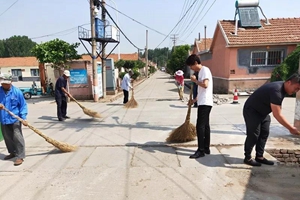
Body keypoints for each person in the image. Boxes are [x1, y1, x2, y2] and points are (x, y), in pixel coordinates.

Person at [243, 73, 300, 166]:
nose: (296, 91)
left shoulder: (282, 88)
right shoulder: (277, 90)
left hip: (263, 112)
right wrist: (291, 128)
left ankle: (259, 156)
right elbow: (277, 115)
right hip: (252, 110)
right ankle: (247, 158)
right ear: (289, 83)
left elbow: (278, 109)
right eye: (296, 88)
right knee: (254, 134)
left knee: (264, 132)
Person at [186, 54, 213, 159]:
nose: (191, 68)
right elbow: (202, 91)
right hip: (203, 101)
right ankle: (206, 147)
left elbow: (205, 85)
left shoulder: (205, 70)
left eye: (191, 66)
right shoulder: (200, 72)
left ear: (196, 63)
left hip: (205, 103)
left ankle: (200, 150)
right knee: (205, 126)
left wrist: (195, 81)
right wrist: (194, 100)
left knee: (200, 127)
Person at [0, 73, 28, 166]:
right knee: (7, 137)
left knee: (17, 137)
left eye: (6, 83)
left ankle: (20, 156)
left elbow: (23, 105)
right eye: (3, 83)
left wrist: (23, 118)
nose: (4, 85)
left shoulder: (17, 92)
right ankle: (12, 152)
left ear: (11, 82)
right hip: (4, 119)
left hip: (15, 119)